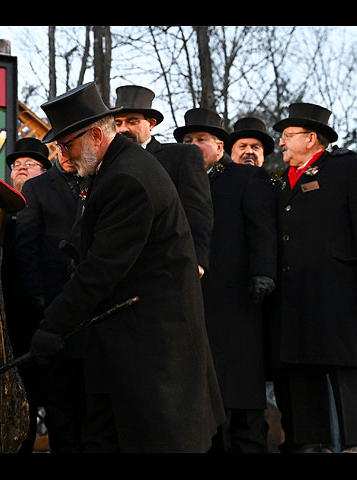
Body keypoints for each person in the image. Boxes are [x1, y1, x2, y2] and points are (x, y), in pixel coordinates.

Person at [29, 82, 224, 453]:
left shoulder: (126, 178)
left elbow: (102, 268)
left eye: (67, 144)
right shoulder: (118, 169)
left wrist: (53, 325)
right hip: (124, 347)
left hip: (153, 351)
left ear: (97, 134)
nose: (64, 156)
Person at [176, 107, 278, 452]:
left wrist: (263, 271)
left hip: (239, 298)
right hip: (193, 299)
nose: (193, 146)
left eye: (201, 140)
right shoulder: (179, 182)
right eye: (187, 140)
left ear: (220, 147)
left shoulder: (246, 178)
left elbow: (261, 228)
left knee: (241, 386)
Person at [270, 102, 357, 453]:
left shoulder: (345, 167)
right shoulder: (280, 181)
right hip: (294, 296)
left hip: (336, 291)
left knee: (343, 372)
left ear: (311, 138)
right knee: (301, 369)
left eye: (288, 137)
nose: (281, 144)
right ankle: (310, 442)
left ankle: (351, 442)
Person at [13, 138, 86, 453]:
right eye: (62, 149)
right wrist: (37, 296)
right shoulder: (38, 187)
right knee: (59, 398)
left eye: (74, 148)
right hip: (52, 306)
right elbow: (25, 248)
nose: (68, 156)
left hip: (92, 305)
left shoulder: (97, 182)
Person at [113, 85, 213, 276]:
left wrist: (197, 258)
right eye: (118, 123)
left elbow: (197, 209)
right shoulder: (108, 164)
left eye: (132, 122)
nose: (124, 129)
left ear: (151, 124)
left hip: (165, 264)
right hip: (120, 267)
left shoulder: (180, 156)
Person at [0, 137, 51, 453]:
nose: (21, 169)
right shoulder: (0, 205)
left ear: (45, 170)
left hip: (45, 309)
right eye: (17, 165)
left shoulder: (58, 200)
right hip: (7, 311)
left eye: (29, 164)